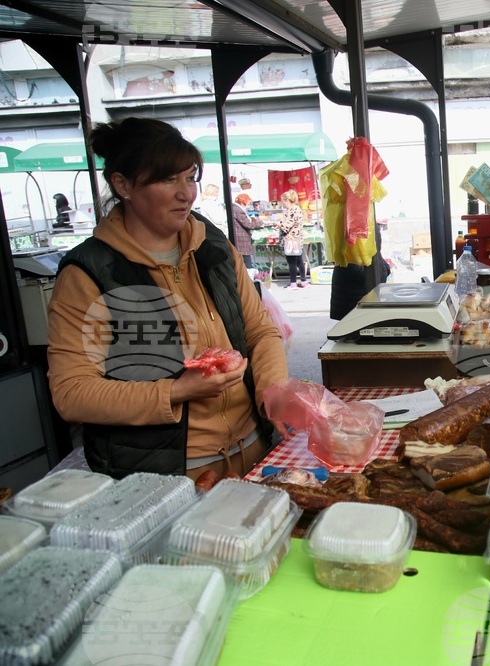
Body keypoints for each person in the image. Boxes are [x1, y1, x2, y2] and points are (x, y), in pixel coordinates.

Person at [46, 117, 289, 480]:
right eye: (167, 179)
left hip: (254, 451)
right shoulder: (90, 273)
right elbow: (72, 393)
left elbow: (259, 330)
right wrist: (175, 391)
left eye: (190, 177)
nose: (186, 193)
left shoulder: (215, 248)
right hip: (168, 474)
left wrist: (274, 392)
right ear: (123, 184)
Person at [276, 189, 308, 288]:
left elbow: (287, 226)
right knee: (299, 261)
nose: (283, 204)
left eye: (283, 201)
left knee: (292, 262)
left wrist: (278, 223)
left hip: (291, 240)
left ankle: (293, 283)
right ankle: (303, 281)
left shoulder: (292, 210)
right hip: (297, 239)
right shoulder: (297, 209)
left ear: (287, 201)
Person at [233, 192, 262, 268]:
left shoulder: (234, 208)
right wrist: (260, 222)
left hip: (238, 239)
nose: (249, 206)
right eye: (248, 204)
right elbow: (248, 225)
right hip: (242, 240)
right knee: (247, 263)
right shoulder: (238, 210)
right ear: (243, 202)